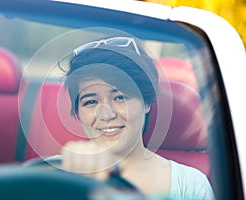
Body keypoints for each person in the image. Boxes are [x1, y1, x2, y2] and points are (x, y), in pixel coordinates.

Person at [58, 36, 215, 199]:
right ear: (78, 112)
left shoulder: (190, 184)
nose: (106, 114)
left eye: (120, 98)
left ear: (146, 102)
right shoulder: (54, 173)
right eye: (91, 101)